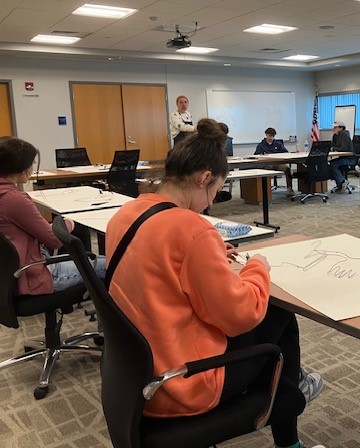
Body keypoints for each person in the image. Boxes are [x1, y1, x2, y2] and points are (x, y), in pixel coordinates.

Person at [105, 130, 324, 448]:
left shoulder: (126, 214)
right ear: (204, 178)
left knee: (270, 328)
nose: (209, 204)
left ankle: (290, 392)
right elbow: (240, 316)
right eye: (215, 191)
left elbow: (158, 261)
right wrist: (257, 267)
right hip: (184, 382)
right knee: (277, 313)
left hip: (138, 375)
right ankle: (289, 400)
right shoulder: (191, 227)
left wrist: (207, 254)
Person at [0, 136, 106, 295]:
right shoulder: (14, 199)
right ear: (23, 167)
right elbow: (55, 240)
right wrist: (68, 223)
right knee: (112, 264)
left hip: (9, 273)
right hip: (31, 276)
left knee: (80, 238)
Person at [255, 127, 294, 197]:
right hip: (268, 163)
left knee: (287, 169)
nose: (271, 138)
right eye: (270, 136)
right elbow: (256, 155)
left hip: (278, 163)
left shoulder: (278, 144)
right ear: (266, 135)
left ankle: (289, 189)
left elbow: (286, 152)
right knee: (267, 169)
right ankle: (266, 190)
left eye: (273, 136)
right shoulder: (261, 145)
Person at [329, 120, 355, 193]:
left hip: (349, 159)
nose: (333, 129)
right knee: (329, 164)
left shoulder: (344, 134)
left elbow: (343, 148)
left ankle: (342, 181)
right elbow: (332, 146)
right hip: (342, 158)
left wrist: (333, 148)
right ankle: (340, 184)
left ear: (341, 128)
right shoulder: (335, 136)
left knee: (334, 165)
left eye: (335, 127)